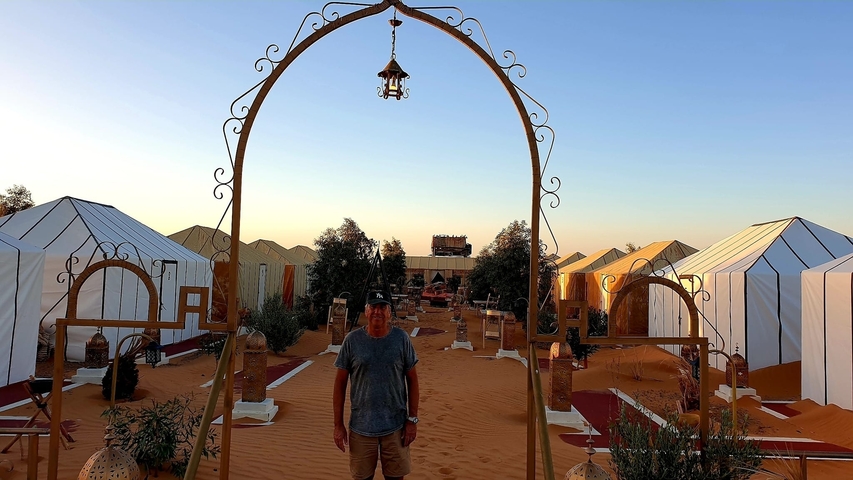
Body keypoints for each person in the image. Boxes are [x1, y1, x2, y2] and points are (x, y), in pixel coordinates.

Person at [333, 290, 420, 480]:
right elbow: (339, 384)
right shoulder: (352, 341)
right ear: (366, 310)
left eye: (382, 307)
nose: (377, 312)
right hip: (361, 429)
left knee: (396, 477)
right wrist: (338, 425)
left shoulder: (401, 339)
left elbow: (412, 379)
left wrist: (412, 420)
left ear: (390, 312)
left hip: (396, 428)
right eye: (373, 307)